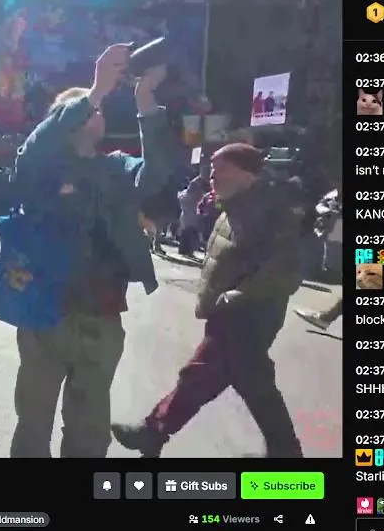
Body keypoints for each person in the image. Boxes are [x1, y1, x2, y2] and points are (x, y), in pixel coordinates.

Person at [6, 42, 177, 458]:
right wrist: (96, 89)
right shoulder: (42, 167)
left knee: (90, 431)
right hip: (45, 316)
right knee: (33, 424)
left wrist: (145, 102)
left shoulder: (114, 168)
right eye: (84, 108)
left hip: (101, 316)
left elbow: (157, 174)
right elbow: (32, 151)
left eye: (97, 108)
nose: (95, 111)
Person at [112, 142, 306, 457]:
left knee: (214, 378)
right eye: (212, 170)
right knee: (230, 381)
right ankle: (285, 451)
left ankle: (153, 432)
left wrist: (237, 295)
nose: (212, 177)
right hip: (230, 313)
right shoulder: (234, 206)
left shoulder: (269, 211)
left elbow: (285, 268)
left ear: (247, 175)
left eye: (221, 171)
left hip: (248, 316)